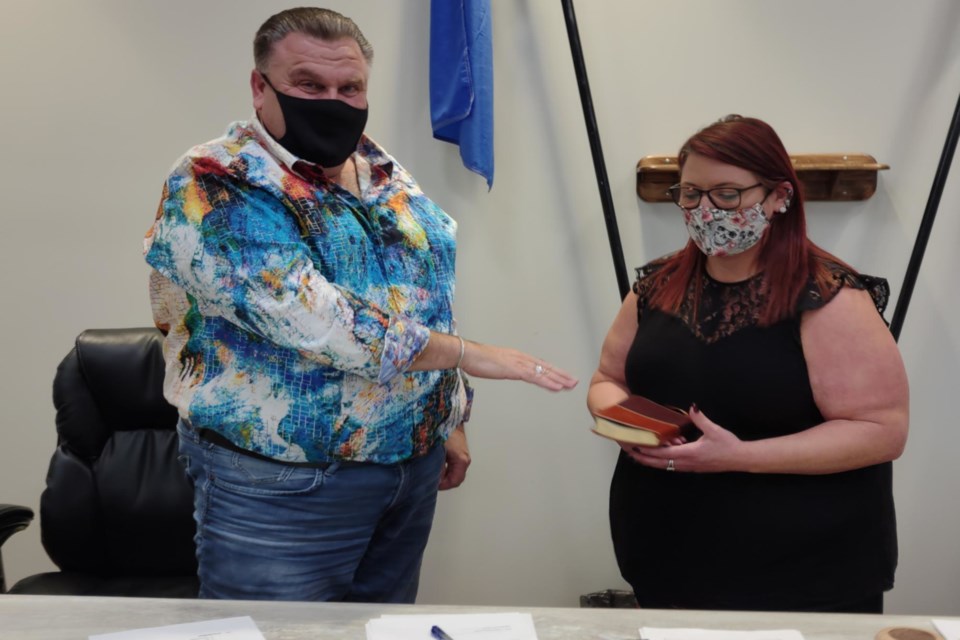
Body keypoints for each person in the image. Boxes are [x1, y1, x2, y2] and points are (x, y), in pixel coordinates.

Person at [143, 7, 577, 603]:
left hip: (409, 469)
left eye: (350, 88)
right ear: (259, 87)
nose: (332, 101)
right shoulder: (216, 182)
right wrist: (471, 356)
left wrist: (448, 416)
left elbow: (425, 296)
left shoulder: (378, 168)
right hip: (281, 483)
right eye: (308, 85)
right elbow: (321, 322)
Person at [586, 115, 908, 613]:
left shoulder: (828, 297)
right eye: (690, 193)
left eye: (727, 194)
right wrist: (627, 422)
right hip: (668, 558)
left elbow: (881, 429)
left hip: (804, 574)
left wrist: (738, 456)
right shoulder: (657, 285)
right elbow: (609, 378)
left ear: (780, 196)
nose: (705, 210)